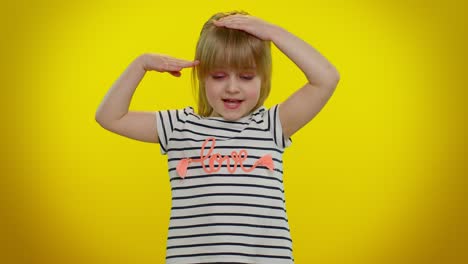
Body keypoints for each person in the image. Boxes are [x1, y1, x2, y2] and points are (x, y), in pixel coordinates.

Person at [95, 10, 339, 264]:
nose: (232, 87)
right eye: (219, 76)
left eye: (246, 76)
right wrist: (141, 64)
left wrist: (272, 33)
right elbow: (110, 117)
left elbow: (326, 78)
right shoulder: (180, 126)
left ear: (263, 79)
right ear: (201, 76)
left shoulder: (272, 125)